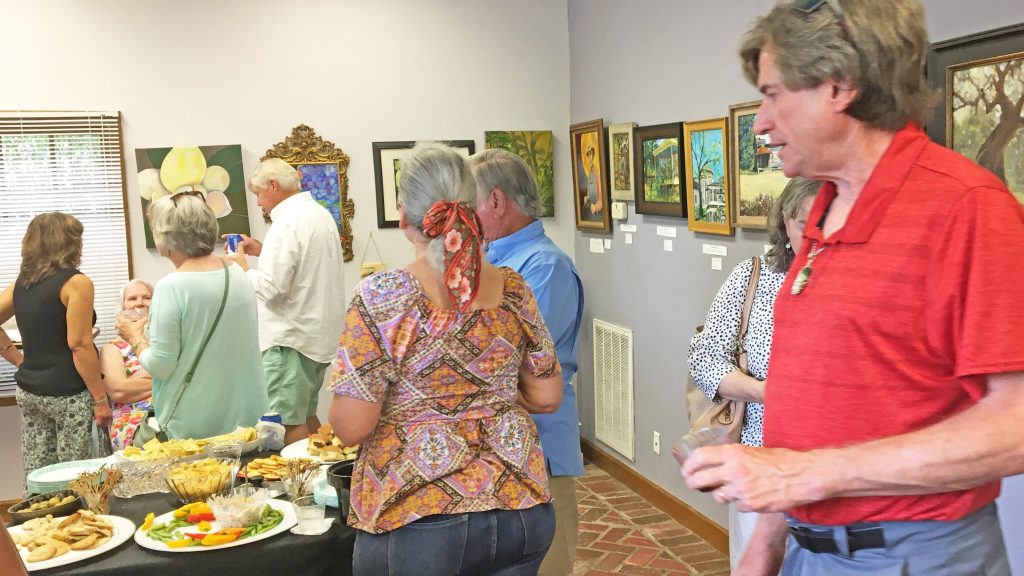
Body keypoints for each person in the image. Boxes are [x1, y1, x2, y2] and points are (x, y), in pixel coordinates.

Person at [682, 1, 1024, 575]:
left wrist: (809, 475)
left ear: (838, 86)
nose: (761, 122)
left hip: (912, 556)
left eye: (773, 95)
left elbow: (1016, 427)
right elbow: (808, 407)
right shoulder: (823, 208)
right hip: (808, 548)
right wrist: (766, 543)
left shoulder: (967, 207)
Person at [328, 143, 562, 576]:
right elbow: (547, 395)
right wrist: (480, 403)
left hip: (419, 516)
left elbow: (351, 427)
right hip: (519, 505)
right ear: (473, 208)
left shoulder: (383, 296)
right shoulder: (512, 288)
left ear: (404, 215)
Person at [687, 177, 819, 570]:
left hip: (828, 464)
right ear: (785, 223)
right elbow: (705, 357)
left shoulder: (855, 283)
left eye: (827, 223)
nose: (817, 237)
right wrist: (766, 392)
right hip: (758, 454)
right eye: (804, 224)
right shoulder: (754, 276)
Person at [469, 148, 585, 576]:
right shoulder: (492, 260)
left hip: (538, 440)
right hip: (496, 443)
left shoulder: (545, 266)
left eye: (469, 205)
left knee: (548, 561)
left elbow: (518, 363)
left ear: (496, 202)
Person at [118, 192, 267, 440]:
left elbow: (161, 365)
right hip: (247, 417)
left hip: (194, 424)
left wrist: (134, 337)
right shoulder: (238, 273)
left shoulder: (171, 287)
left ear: (165, 237)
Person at [227, 158, 345, 445]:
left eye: (258, 193)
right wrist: (262, 250)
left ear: (273, 186)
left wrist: (241, 268)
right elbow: (304, 266)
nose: (258, 203)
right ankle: (325, 467)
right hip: (315, 336)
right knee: (306, 416)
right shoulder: (318, 214)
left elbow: (272, 289)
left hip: (289, 340)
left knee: (286, 423)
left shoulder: (287, 222)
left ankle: (300, 475)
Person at [0, 213, 110, 482]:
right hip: (68, 394)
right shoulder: (76, 283)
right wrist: (100, 399)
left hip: (30, 391)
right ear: (71, 243)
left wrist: (20, 361)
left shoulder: (21, 284)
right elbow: (79, 345)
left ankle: (39, 510)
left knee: (38, 475)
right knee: (77, 478)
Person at [100, 279, 154, 450]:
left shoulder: (167, 342)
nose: (140, 303)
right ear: (122, 306)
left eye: (146, 297)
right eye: (132, 298)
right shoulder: (112, 348)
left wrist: (138, 381)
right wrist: (166, 379)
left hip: (173, 421)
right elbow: (119, 390)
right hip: (133, 428)